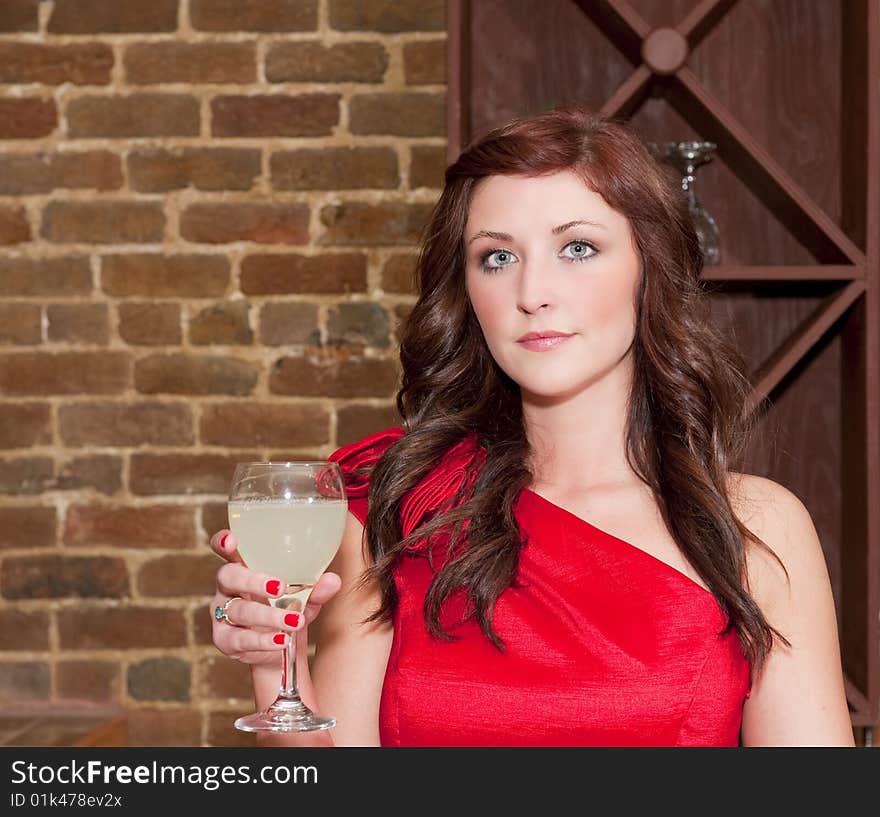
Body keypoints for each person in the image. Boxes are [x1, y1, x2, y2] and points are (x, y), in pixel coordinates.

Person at [209, 105, 854, 747]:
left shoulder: (755, 529)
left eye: (577, 248)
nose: (532, 291)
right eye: (496, 258)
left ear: (648, 270)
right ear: (466, 292)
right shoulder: (398, 508)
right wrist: (274, 667)